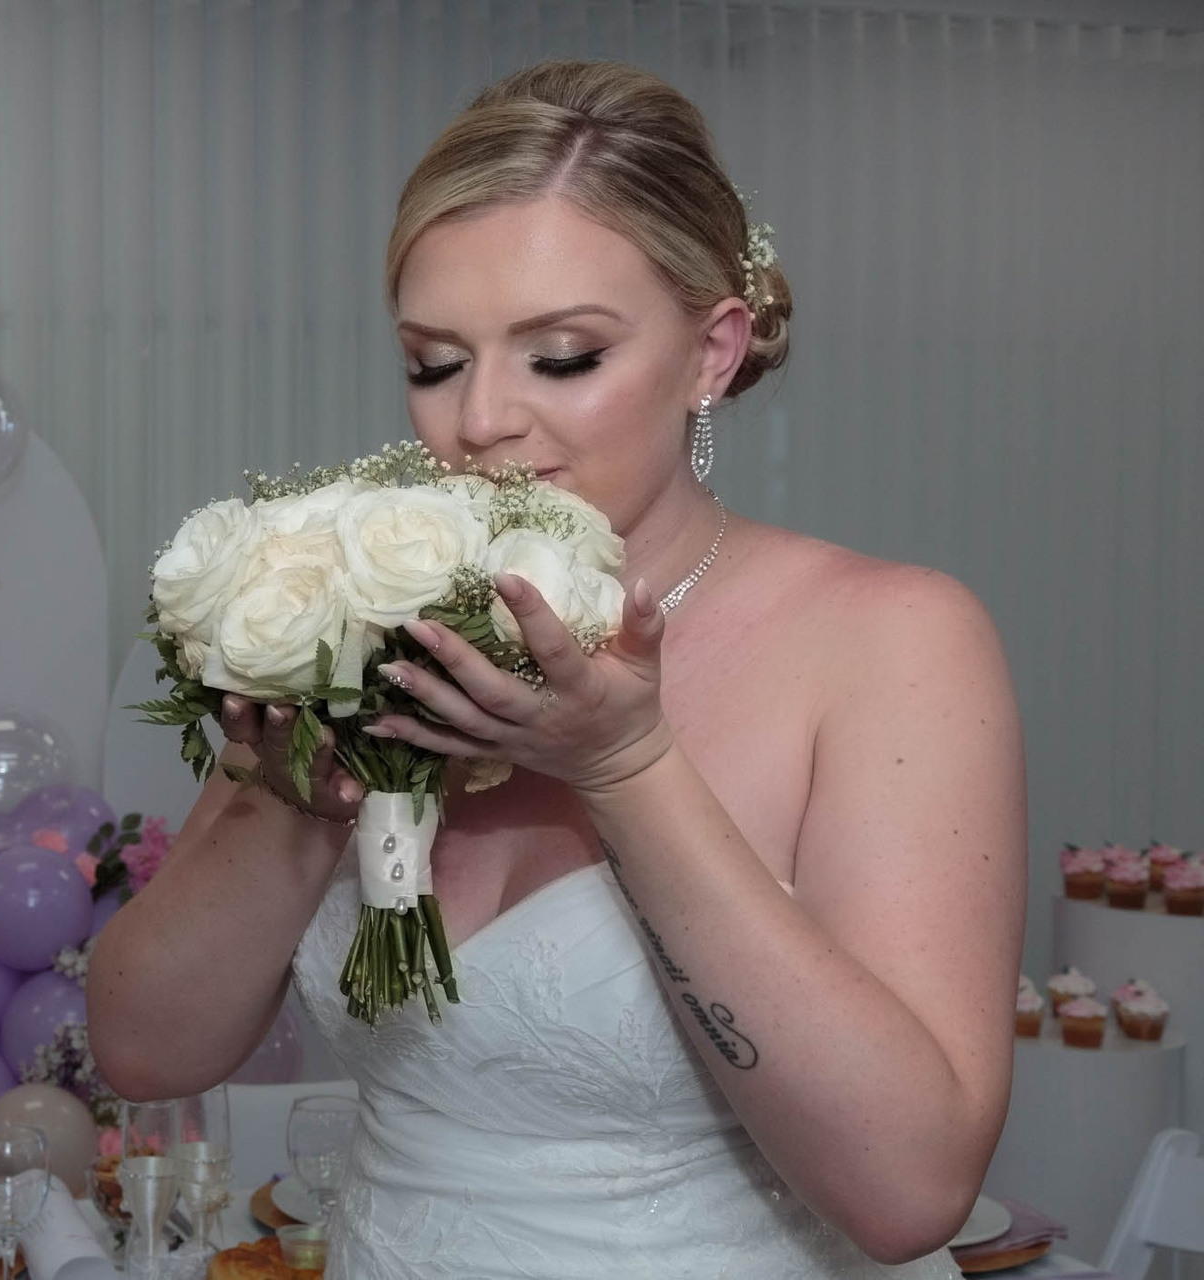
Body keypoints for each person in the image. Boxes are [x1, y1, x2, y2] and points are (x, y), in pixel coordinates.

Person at [87, 59, 1025, 1278]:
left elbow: (907, 1190)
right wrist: (295, 802)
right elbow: (146, 1053)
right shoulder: (372, 609)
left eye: (564, 355)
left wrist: (626, 765)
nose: (479, 419)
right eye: (436, 361)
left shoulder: (890, 637)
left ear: (713, 351)